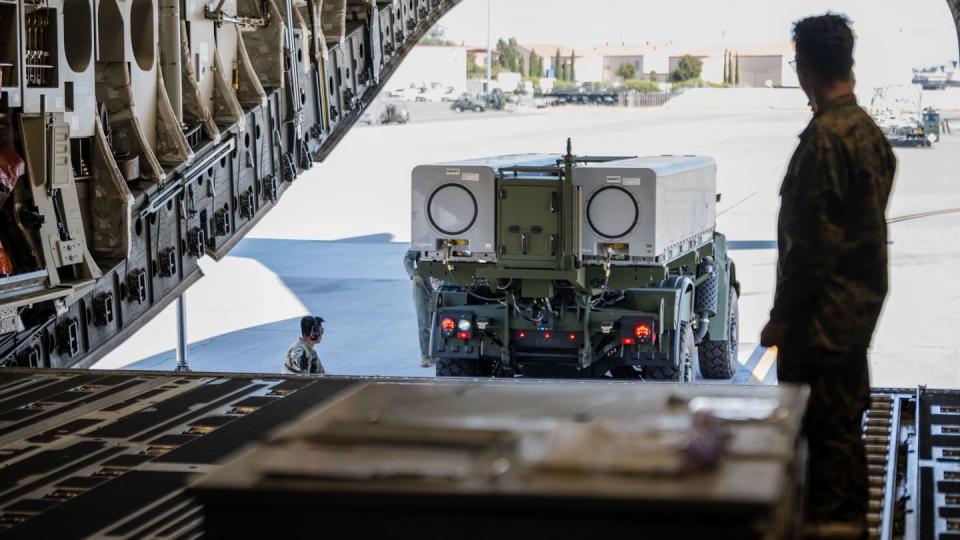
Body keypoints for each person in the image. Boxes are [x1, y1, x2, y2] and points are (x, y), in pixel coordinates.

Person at [760, 13, 896, 536]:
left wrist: (781, 320)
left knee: (822, 444)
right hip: (851, 318)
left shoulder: (825, 140)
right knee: (843, 436)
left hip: (818, 325)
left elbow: (813, 248)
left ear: (804, 66)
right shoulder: (867, 133)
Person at [404, 248, 436, 368]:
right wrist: (413, 274)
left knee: (440, 321)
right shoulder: (422, 240)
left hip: (440, 282)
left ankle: (435, 352)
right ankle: (425, 355)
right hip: (422, 284)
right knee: (424, 322)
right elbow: (408, 258)